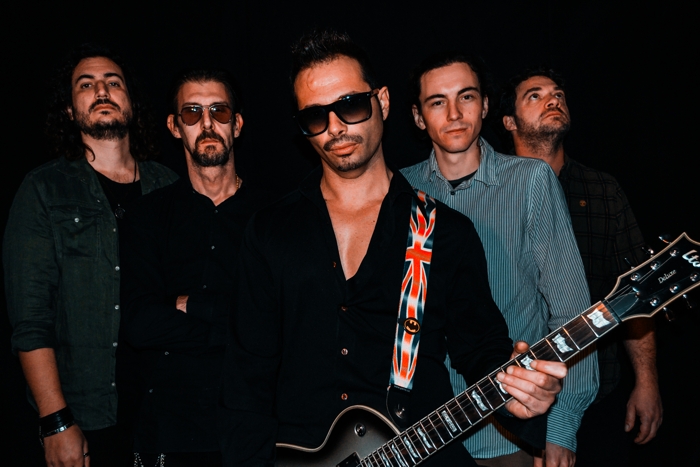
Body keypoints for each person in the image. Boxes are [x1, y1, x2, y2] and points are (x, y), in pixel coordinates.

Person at [219, 29, 568, 467]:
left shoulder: (446, 231)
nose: (335, 128)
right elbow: (246, 379)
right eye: (315, 116)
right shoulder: (271, 231)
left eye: (350, 105)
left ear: (381, 102)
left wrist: (519, 395)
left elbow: (481, 350)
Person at [401, 52, 596, 467]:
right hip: (418, 441)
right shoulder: (399, 190)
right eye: (437, 102)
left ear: (486, 105)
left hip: (508, 438)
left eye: (466, 97)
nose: (454, 114)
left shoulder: (531, 181)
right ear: (418, 117)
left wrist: (560, 429)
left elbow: (573, 314)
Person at [3, 44, 177, 467]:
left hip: (165, 414)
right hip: (86, 418)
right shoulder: (44, 189)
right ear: (69, 110)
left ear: (130, 102)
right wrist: (55, 421)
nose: (101, 91)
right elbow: (30, 321)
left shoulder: (170, 186)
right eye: (86, 85)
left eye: (113, 83)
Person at [501, 67, 662, 467]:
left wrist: (646, 381)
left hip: (599, 399)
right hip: (509, 402)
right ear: (508, 122)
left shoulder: (603, 190)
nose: (553, 100)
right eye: (535, 95)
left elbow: (637, 292)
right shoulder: (493, 191)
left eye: (558, 94)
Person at [118, 68, 270, 467]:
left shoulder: (273, 218)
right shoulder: (147, 217)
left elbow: (281, 321)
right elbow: (139, 323)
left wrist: (189, 304)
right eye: (192, 112)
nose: (207, 123)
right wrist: (237, 322)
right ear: (174, 126)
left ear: (237, 124)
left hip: (255, 432)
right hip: (170, 433)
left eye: (219, 111)